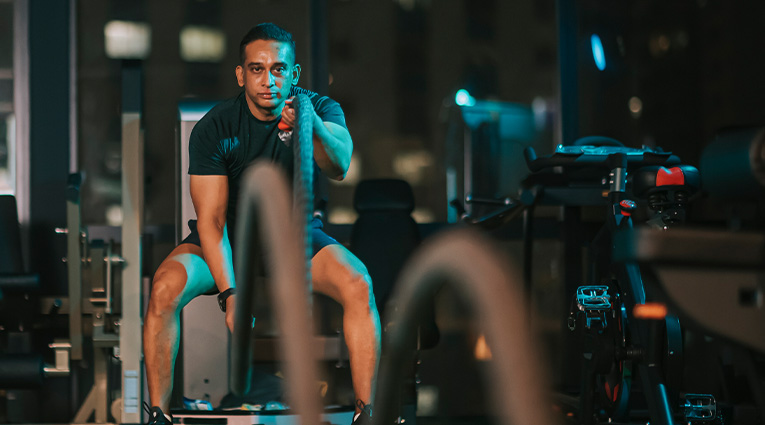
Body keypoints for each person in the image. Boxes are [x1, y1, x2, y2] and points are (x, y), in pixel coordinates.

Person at [142, 23, 380, 425]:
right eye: (257, 69)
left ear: (294, 74)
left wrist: (310, 125)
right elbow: (212, 223)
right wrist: (231, 293)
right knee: (164, 288)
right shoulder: (215, 127)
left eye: (278, 69)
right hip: (227, 239)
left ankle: (366, 414)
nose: (269, 81)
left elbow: (338, 166)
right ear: (241, 75)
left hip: (293, 240)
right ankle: (158, 416)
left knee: (358, 283)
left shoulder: (320, 108)